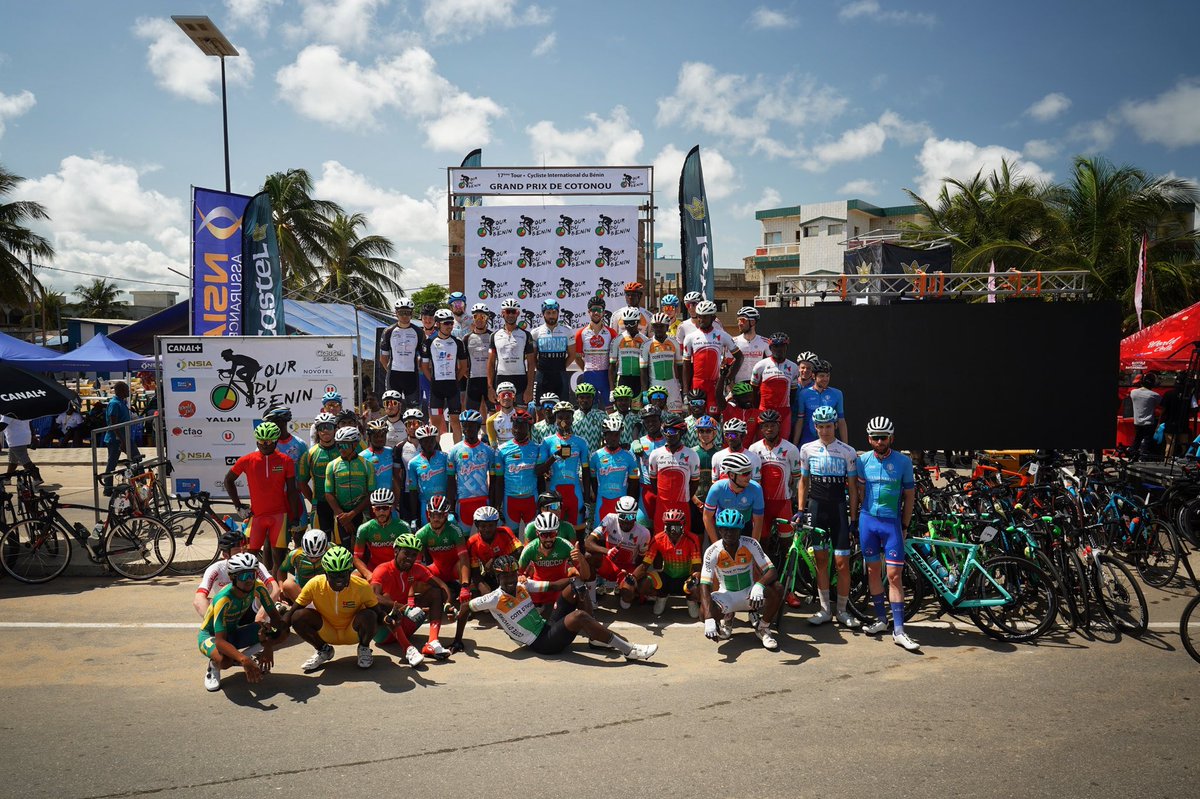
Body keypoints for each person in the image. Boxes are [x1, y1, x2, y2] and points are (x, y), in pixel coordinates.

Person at [448, 554, 657, 660]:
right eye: (505, 576)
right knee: (579, 616)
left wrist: (576, 579)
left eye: (513, 574)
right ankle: (629, 650)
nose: (510, 579)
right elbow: (465, 607)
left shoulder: (522, 585)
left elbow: (556, 585)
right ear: (497, 577)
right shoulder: (493, 598)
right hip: (542, 643)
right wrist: (458, 640)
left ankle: (596, 638)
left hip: (547, 627)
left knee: (574, 587)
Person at [857, 416, 919, 651]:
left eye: (884, 438)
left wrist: (905, 525)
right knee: (873, 571)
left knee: (894, 576)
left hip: (891, 524)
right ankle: (882, 620)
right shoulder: (862, 460)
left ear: (891, 438)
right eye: (875, 438)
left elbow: (910, 496)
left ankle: (900, 630)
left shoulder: (903, 462)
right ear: (869, 439)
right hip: (867, 521)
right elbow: (859, 491)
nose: (880, 442)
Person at [798, 405, 860, 627]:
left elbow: (853, 488)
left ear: (835, 426)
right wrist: (801, 510)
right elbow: (803, 482)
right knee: (821, 561)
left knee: (842, 563)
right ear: (815, 427)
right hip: (817, 509)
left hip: (838, 510)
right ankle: (825, 610)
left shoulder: (847, 451)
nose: (825, 431)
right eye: (821, 427)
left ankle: (842, 610)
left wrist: (854, 519)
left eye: (828, 426)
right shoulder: (806, 449)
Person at [198, 552, 289, 692]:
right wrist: (244, 660)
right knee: (225, 661)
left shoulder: (258, 587)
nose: (249, 580)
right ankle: (214, 664)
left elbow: (276, 620)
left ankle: (243, 658)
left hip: (234, 631)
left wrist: (268, 645)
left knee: (283, 631)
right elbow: (220, 641)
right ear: (232, 577)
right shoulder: (223, 599)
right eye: (244, 576)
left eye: (252, 575)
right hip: (211, 636)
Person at [224, 421, 304, 575]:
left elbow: (292, 491)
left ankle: (277, 587)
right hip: (257, 516)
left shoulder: (285, 461)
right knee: (249, 557)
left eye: (268, 442)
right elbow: (228, 480)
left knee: (279, 558)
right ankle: (253, 585)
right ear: (256, 441)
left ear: (275, 442)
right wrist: (238, 505)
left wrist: (295, 517)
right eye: (261, 441)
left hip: (279, 516)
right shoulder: (246, 460)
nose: (264, 445)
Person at [289, 546, 382, 672]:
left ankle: (364, 648)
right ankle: (323, 650)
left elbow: (378, 612)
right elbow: (292, 611)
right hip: (327, 631)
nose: (339, 579)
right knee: (297, 616)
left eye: (343, 575)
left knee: (370, 615)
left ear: (349, 572)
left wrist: (389, 619)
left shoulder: (362, 586)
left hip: (352, 631)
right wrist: (278, 628)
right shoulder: (314, 584)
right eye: (334, 575)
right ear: (325, 573)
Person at [699, 508, 781, 651]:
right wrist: (709, 617)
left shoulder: (751, 544)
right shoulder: (712, 551)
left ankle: (763, 627)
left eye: (734, 530)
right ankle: (727, 617)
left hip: (750, 595)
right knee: (702, 611)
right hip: (726, 596)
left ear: (740, 530)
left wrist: (759, 585)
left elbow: (772, 571)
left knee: (777, 588)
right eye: (725, 529)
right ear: (719, 530)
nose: (729, 533)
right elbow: (704, 585)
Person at [369, 533, 449, 667]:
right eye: (406, 553)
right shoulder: (382, 570)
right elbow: (373, 597)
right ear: (396, 551)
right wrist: (406, 609)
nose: (410, 558)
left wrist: (448, 605)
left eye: (414, 555)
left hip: (406, 623)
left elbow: (442, 586)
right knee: (386, 598)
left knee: (435, 592)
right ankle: (408, 649)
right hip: (384, 631)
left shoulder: (417, 569)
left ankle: (433, 642)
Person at [629, 508, 702, 616]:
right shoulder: (657, 539)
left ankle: (691, 600)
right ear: (664, 526)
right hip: (667, 577)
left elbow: (697, 568)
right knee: (643, 584)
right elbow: (645, 565)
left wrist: (694, 584)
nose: (673, 531)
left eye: (677, 527)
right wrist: (632, 578)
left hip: (686, 578)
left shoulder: (692, 539)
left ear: (683, 527)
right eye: (669, 527)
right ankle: (661, 596)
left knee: (699, 586)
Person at [584, 495, 652, 609]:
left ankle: (624, 589)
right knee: (589, 556)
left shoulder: (644, 533)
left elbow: (641, 562)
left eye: (630, 516)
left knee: (626, 601)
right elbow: (588, 543)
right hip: (610, 565)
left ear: (635, 516)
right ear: (617, 513)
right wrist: (607, 551)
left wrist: (632, 578)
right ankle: (592, 599)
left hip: (628, 569)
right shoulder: (610, 519)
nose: (626, 521)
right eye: (622, 516)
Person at [195, 529, 280, 616]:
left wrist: (262, 614)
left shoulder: (255, 565)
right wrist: (209, 620)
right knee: (210, 602)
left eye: (245, 551)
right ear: (225, 555)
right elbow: (199, 599)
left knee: (263, 591)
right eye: (238, 552)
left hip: (251, 608)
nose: (243, 556)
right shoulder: (216, 569)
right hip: (228, 609)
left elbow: (274, 589)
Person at [536, 401, 591, 532]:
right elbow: (538, 471)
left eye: (567, 417)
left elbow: (586, 472)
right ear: (555, 419)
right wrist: (555, 456)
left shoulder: (581, 442)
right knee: (554, 530)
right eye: (560, 417)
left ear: (573, 419)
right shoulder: (547, 442)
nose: (564, 420)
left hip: (575, 493)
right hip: (555, 492)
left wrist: (587, 501)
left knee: (577, 532)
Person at [644, 413, 700, 536]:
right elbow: (653, 480)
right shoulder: (655, 454)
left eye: (673, 431)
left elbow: (694, 482)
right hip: (662, 504)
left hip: (682, 504)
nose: (669, 434)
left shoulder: (692, 455)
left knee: (683, 538)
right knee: (660, 538)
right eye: (667, 431)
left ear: (681, 433)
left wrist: (685, 498)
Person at [682, 300, 740, 417]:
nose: (701, 320)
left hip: (715, 384)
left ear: (713, 318)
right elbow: (686, 366)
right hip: (697, 383)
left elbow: (740, 357)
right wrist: (685, 391)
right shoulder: (690, 337)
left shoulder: (722, 335)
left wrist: (728, 378)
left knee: (714, 417)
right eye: (699, 316)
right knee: (696, 417)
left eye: (705, 317)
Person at [748, 410, 803, 533]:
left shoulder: (791, 449)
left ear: (779, 426)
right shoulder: (754, 448)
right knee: (762, 540)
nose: (769, 429)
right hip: (761, 502)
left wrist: (793, 496)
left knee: (786, 540)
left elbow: (797, 478)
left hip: (783, 503)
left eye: (773, 425)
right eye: (766, 426)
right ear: (761, 428)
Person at [421, 308, 469, 439]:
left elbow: (463, 366)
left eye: (451, 323)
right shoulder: (429, 342)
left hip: (453, 387)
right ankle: (436, 448)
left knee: (455, 422)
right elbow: (424, 366)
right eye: (446, 323)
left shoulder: (458, 342)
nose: (449, 326)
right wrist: (432, 380)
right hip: (436, 388)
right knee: (435, 423)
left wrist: (455, 379)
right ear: (437, 324)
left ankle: (457, 449)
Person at [494, 408, 544, 530]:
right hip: (510, 500)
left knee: (533, 536)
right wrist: (497, 506)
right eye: (515, 426)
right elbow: (498, 481)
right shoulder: (501, 450)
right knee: (511, 538)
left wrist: (542, 503)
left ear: (529, 428)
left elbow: (540, 478)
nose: (517, 430)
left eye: (522, 427)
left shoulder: (537, 448)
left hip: (531, 499)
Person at [325, 426, 376, 548]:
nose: (341, 449)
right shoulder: (332, 465)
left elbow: (371, 493)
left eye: (345, 445)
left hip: (361, 513)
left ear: (355, 444)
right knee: (344, 549)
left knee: (363, 550)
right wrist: (342, 516)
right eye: (339, 445)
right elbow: (328, 493)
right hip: (341, 515)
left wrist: (352, 514)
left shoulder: (367, 465)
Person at [519, 511, 579, 611]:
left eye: (552, 534)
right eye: (544, 535)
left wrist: (579, 562)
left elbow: (582, 571)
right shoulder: (530, 549)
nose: (548, 539)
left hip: (560, 586)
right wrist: (522, 576)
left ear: (557, 532)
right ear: (537, 533)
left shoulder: (566, 546)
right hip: (539, 587)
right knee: (519, 583)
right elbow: (518, 573)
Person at [703, 452, 765, 543]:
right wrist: (715, 543)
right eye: (745, 473)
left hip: (744, 526)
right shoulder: (717, 488)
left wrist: (753, 545)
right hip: (722, 527)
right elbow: (707, 517)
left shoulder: (756, 489)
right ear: (732, 475)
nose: (749, 476)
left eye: (750, 472)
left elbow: (758, 521)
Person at [588, 416, 640, 525]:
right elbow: (593, 481)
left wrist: (629, 504)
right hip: (602, 502)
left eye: (616, 434)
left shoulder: (629, 456)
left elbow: (633, 484)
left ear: (620, 435)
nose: (613, 438)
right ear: (604, 435)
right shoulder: (595, 456)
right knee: (600, 532)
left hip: (622, 503)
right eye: (610, 434)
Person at [447, 409, 495, 522]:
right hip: (463, 502)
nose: (467, 429)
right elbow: (450, 482)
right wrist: (451, 509)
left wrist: (494, 505)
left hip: (483, 500)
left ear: (478, 427)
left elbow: (494, 481)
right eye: (465, 426)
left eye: (471, 426)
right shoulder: (454, 451)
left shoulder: (488, 451)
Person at [752, 333, 801, 441]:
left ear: (786, 347)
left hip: (784, 411)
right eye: (776, 346)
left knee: (783, 443)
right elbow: (754, 391)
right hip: (764, 410)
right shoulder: (760, 365)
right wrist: (757, 410)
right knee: (762, 442)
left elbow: (793, 393)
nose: (779, 349)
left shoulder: (793, 367)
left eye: (782, 346)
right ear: (770, 348)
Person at [380, 297, 426, 409]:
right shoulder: (388, 331)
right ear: (396, 313)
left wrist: (419, 368)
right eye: (401, 313)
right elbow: (383, 357)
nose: (404, 316)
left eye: (407, 313)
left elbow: (424, 357)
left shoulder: (419, 332)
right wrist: (390, 370)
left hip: (412, 375)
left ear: (412, 313)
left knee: (413, 410)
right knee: (392, 408)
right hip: (394, 375)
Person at [352, 489, 411, 576]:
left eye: (385, 508)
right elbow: (357, 557)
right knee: (353, 576)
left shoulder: (403, 527)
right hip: (373, 569)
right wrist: (368, 574)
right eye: (378, 508)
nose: (381, 512)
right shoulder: (364, 529)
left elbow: (410, 555)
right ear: (373, 509)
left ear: (391, 508)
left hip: (395, 569)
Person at [297, 412, 340, 533]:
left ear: (335, 429)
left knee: (341, 540)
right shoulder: (310, 454)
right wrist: (313, 501)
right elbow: (302, 482)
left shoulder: (343, 449)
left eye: (329, 427)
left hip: (342, 504)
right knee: (321, 539)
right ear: (317, 431)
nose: (325, 431)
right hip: (320, 504)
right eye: (321, 428)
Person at [489, 297, 535, 406]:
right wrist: (490, 387)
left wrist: (529, 388)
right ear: (502, 313)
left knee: (521, 414)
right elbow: (491, 363)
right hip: (501, 377)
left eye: (513, 312)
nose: (510, 315)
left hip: (520, 378)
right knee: (501, 413)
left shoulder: (526, 335)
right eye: (508, 311)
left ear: (517, 313)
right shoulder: (494, 335)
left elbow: (531, 363)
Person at [464, 505, 523, 590]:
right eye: (483, 526)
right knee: (476, 590)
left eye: (491, 525)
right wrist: (485, 591)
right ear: (477, 525)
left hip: (509, 571)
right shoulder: (472, 543)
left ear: (496, 524)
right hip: (489, 575)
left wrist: (498, 563)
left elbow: (520, 551)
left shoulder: (505, 532)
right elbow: (475, 573)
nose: (487, 529)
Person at [573, 297, 616, 407]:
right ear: (589, 312)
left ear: (604, 312)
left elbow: (616, 357)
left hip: (606, 376)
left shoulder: (611, 333)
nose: (596, 313)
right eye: (593, 310)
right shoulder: (580, 334)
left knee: (610, 408)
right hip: (589, 375)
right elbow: (577, 357)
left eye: (599, 310)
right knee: (591, 408)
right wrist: (586, 370)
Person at [531, 298, 575, 403]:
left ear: (558, 313)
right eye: (548, 313)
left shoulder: (567, 331)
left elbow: (572, 355)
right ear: (543, 314)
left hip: (560, 375)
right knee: (539, 407)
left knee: (563, 406)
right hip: (542, 375)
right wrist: (540, 369)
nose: (551, 316)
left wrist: (561, 367)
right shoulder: (535, 332)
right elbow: (532, 357)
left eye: (554, 313)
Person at [406, 424, 449, 525]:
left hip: (444, 503)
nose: (429, 443)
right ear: (420, 442)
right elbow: (413, 490)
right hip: (425, 505)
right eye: (425, 441)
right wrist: (414, 517)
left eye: (431, 440)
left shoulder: (445, 457)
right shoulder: (413, 463)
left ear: (435, 440)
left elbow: (452, 482)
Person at [100, 380, 137, 494]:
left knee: (136, 458)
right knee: (112, 463)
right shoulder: (114, 404)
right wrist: (121, 440)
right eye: (126, 389)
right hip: (116, 439)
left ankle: (139, 483)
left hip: (125, 437)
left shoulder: (122, 402)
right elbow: (113, 423)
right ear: (121, 391)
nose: (128, 392)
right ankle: (108, 488)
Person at [641, 312, 683, 412]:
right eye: (655, 326)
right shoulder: (646, 345)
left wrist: (682, 386)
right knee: (656, 415)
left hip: (672, 386)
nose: (658, 329)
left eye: (661, 326)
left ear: (667, 327)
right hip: (655, 386)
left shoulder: (674, 343)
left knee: (676, 415)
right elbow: (643, 370)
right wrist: (645, 392)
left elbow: (680, 366)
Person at [798, 360, 847, 445]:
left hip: (829, 441)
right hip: (808, 440)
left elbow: (841, 421)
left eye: (828, 376)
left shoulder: (837, 394)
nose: (825, 379)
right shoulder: (804, 393)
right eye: (822, 376)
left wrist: (845, 445)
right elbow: (800, 421)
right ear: (813, 376)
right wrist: (795, 443)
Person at [630, 406, 666, 520]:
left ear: (660, 421)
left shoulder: (668, 441)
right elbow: (631, 468)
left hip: (664, 488)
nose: (651, 424)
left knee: (663, 523)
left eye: (654, 420)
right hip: (645, 489)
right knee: (642, 523)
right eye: (647, 421)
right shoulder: (639, 442)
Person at [690, 415, 720, 534]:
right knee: (697, 535)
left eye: (708, 431)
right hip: (695, 500)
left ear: (714, 433)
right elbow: (687, 481)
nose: (704, 434)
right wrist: (696, 501)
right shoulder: (691, 453)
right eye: (701, 431)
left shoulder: (720, 453)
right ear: (697, 433)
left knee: (717, 535)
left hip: (716, 502)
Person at [463, 303, 495, 414]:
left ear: (487, 318)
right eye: (476, 316)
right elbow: (463, 360)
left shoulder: (493, 336)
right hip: (473, 380)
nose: (479, 320)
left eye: (483, 316)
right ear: (473, 318)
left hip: (490, 380)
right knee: (471, 414)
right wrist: (467, 374)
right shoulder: (466, 338)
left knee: (494, 413)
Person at [281, 529, 328, 603]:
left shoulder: (332, 549)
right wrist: (281, 590)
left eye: (318, 557)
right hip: (303, 593)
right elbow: (281, 570)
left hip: (325, 591)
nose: (314, 560)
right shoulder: (295, 554)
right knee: (288, 584)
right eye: (310, 557)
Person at [609, 308, 647, 400]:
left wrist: (645, 391)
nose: (629, 326)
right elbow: (612, 366)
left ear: (638, 322)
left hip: (639, 379)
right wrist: (612, 390)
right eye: (626, 323)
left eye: (632, 323)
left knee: (638, 408)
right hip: (623, 378)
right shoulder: (617, 340)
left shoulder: (645, 340)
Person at [712, 418, 762, 482]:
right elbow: (714, 483)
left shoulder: (754, 458)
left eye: (734, 435)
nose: (730, 438)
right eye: (727, 434)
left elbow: (756, 484)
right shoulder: (717, 456)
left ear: (743, 436)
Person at [731, 306, 769, 388]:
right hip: (738, 386)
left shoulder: (765, 342)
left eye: (742, 320)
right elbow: (727, 367)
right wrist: (729, 389)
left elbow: (771, 366)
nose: (739, 323)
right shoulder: (733, 342)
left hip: (757, 386)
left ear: (752, 322)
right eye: (738, 320)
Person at [0, 414, 42, 488]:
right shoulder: (20, 409)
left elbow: (2, 426)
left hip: (16, 439)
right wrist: (33, 435)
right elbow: (30, 423)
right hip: (22, 436)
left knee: (24, 459)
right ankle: (7, 479)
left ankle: (37, 478)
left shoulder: (8, 412)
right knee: (13, 460)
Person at [360, 419, 396, 503]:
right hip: (371, 500)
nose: (380, 439)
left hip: (390, 499)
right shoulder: (362, 456)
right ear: (369, 437)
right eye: (376, 436)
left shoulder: (391, 451)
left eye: (382, 436)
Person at [1129, 372, 1162, 460]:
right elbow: (1162, 404)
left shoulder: (1133, 392)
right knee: (1147, 440)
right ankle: (1143, 456)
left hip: (1137, 421)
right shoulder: (1154, 395)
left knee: (1137, 439)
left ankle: (1133, 455)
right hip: (1149, 422)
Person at [572, 382, 607, 454]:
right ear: (577, 399)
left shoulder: (602, 415)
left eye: (588, 397)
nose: (585, 400)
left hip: (595, 457)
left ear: (593, 398)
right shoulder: (572, 416)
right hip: (577, 458)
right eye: (582, 397)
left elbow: (607, 439)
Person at [485, 381, 518, 447]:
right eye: (503, 395)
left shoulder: (522, 417)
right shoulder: (491, 421)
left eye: (509, 394)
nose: (506, 397)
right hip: (501, 451)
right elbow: (493, 445)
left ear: (514, 398)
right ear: (498, 398)